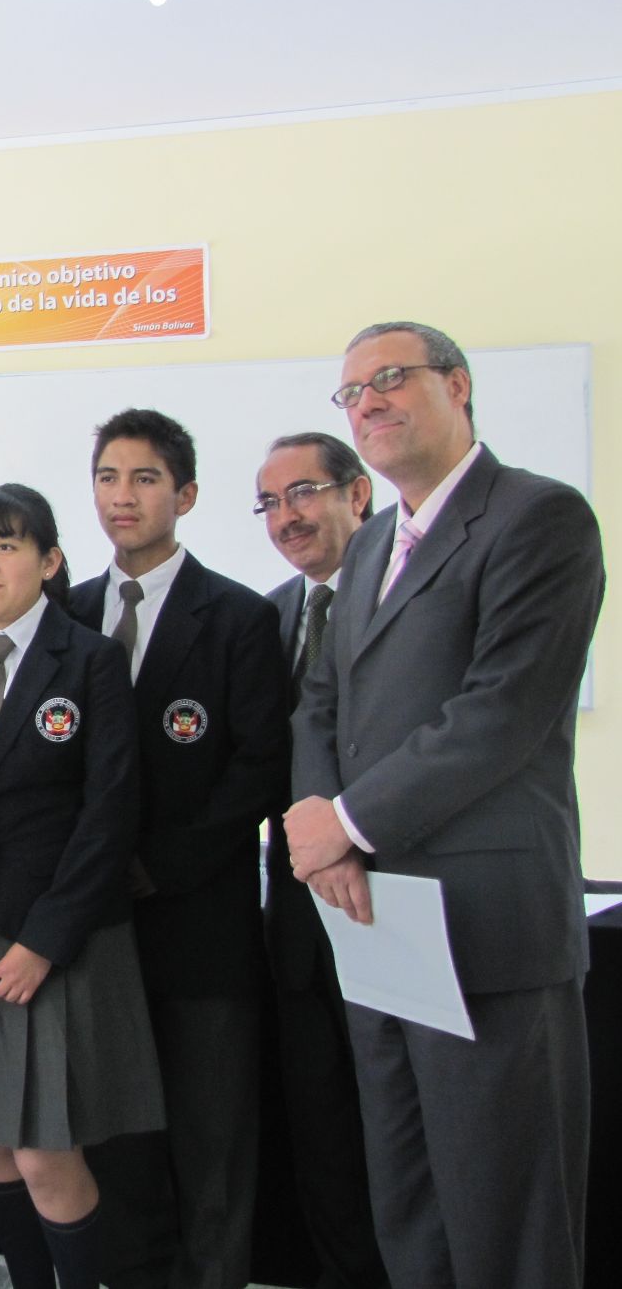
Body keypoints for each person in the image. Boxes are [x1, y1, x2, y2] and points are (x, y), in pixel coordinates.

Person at [287, 321, 603, 1289]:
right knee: (411, 1210)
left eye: (390, 379)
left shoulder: (538, 519)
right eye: (351, 393)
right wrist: (319, 826)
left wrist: (347, 822)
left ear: (457, 386)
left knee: (507, 1222)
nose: (369, 403)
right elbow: (323, 701)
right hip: (375, 921)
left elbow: (499, 715)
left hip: (486, 933)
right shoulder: (374, 537)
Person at [0, 483, 163, 1289]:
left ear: (48, 562)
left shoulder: (90, 660)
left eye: (6, 545)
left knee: (48, 1155)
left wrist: (44, 941)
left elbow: (109, 817)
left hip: (56, 945)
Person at [68, 408, 286, 1289]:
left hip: (200, 923)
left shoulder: (236, 617)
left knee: (211, 1138)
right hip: (93, 930)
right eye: (109, 478)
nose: (123, 497)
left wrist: (161, 866)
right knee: (116, 1135)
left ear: (185, 494)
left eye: (145, 478)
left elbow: (260, 770)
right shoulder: (67, 611)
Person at [253, 433, 387, 1289]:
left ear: (358, 495)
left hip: (393, 908)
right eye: (269, 504)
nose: (286, 518)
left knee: (404, 1142)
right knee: (327, 1141)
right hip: (301, 927)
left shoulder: (407, 598)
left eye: (302, 493)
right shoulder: (268, 616)